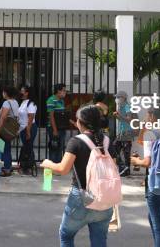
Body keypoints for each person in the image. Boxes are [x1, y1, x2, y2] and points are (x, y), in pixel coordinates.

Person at [41, 105, 113, 247]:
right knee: (99, 239)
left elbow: (62, 169)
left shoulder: (76, 141)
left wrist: (48, 164)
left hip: (81, 197)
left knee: (66, 235)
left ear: (80, 122)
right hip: (104, 199)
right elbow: (113, 168)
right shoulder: (106, 141)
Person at [131, 128, 160, 247]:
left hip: (156, 186)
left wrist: (136, 161)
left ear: (151, 116)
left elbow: (147, 162)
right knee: (153, 217)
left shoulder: (149, 135)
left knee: (159, 228)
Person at [0, 86, 20, 177]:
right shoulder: (15, 102)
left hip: (5, 128)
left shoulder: (6, 103)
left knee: (5, 149)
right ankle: (8, 166)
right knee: (7, 148)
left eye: (3, 92)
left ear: (6, 93)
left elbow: (2, 117)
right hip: (11, 128)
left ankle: (6, 169)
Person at [113, 90, 133, 177]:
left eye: (118, 97)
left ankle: (126, 171)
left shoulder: (127, 106)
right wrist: (117, 117)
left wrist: (119, 115)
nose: (116, 99)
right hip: (121, 133)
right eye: (116, 97)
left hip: (126, 132)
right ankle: (123, 168)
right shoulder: (120, 107)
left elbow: (129, 119)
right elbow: (122, 120)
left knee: (126, 153)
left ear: (123, 98)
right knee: (114, 149)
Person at [18, 85, 38, 173]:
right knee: (26, 147)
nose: (21, 92)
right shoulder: (23, 102)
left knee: (28, 147)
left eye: (23, 91)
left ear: (27, 93)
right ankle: (26, 165)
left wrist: (28, 131)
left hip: (29, 128)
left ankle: (28, 167)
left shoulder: (31, 103)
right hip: (23, 128)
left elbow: (30, 117)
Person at [47, 83, 68, 163]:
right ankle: (52, 166)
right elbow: (51, 116)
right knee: (54, 147)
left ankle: (58, 165)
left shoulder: (61, 101)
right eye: (63, 90)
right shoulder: (51, 100)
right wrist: (55, 130)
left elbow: (62, 115)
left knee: (60, 147)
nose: (65, 92)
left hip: (61, 127)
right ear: (58, 91)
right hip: (53, 127)